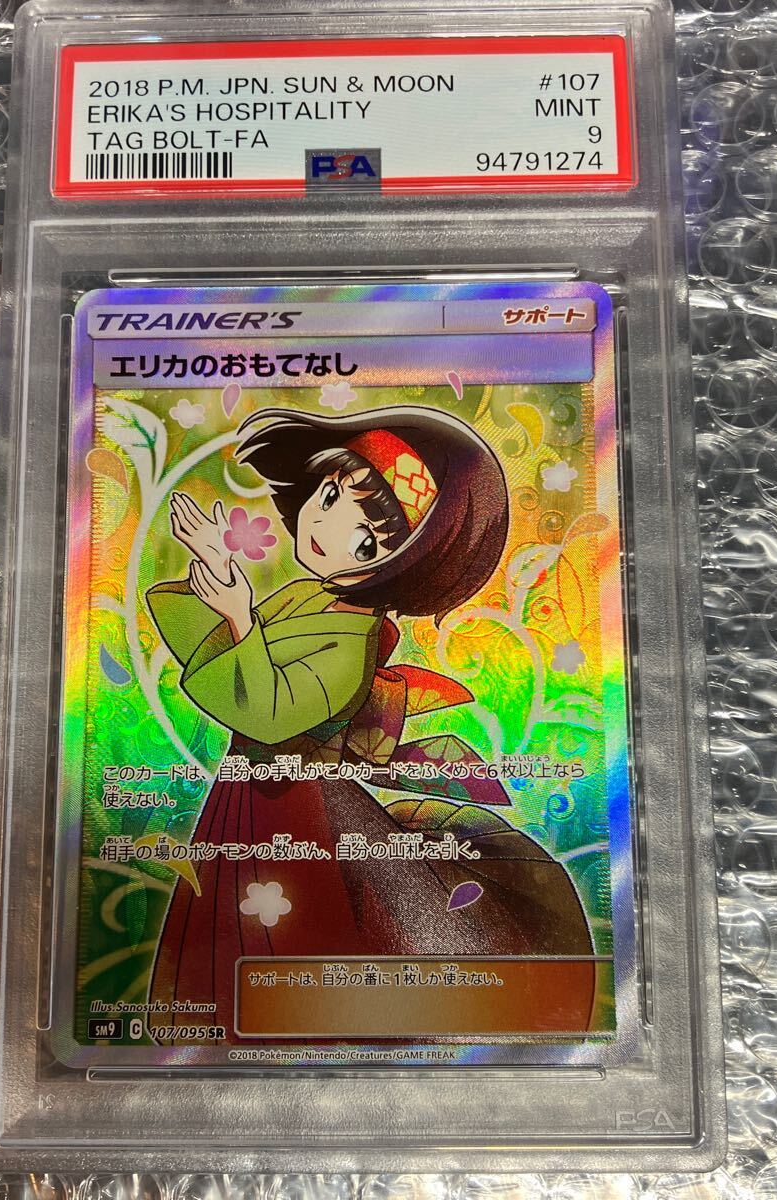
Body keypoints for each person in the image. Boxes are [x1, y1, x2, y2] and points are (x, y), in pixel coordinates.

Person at [145, 406, 595, 1040]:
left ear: (399, 569)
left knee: (291, 922)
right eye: (330, 496)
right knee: (238, 920)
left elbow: (271, 714)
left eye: (366, 544)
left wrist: (242, 617)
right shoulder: (310, 595)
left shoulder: (351, 644)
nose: (324, 529)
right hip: (251, 793)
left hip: (294, 806)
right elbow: (221, 667)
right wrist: (219, 577)